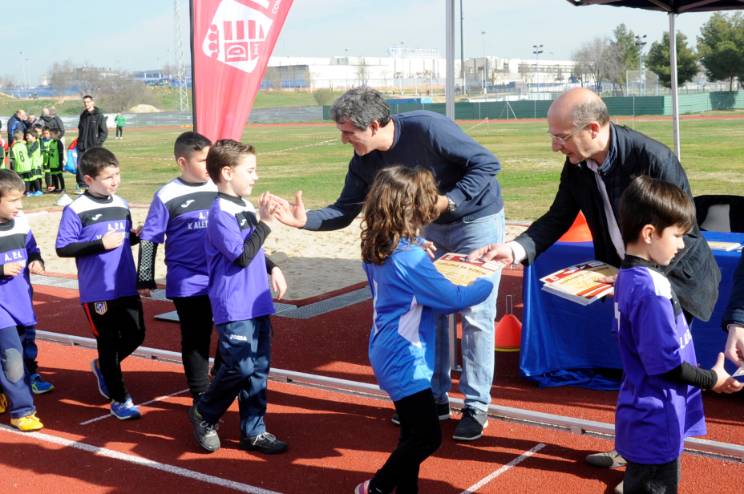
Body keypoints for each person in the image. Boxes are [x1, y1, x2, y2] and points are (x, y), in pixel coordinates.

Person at [469, 87, 722, 471]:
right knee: (635, 372)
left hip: (669, 282)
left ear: (592, 128)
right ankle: (633, 451)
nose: (555, 146)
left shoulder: (652, 159)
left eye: (561, 137)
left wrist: (639, 282)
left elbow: (680, 235)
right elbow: (558, 216)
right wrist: (515, 249)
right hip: (630, 280)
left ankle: (651, 468)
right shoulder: (576, 165)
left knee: (658, 376)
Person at [271, 86, 505, 441]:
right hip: (427, 227)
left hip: (475, 218)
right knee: (430, 307)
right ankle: (434, 397)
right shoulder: (363, 161)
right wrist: (305, 221)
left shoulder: (428, 128)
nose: (343, 139)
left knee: (476, 313)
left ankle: (475, 404)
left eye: (349, 132)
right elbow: (345, 210)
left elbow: (488, 164)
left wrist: (450, 201)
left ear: (374, 125)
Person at [355, 166, 493, 494]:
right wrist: (488, 276)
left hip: (390, 347)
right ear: (413, 208)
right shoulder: (409, 258)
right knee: (427, 437)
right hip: (405, 355)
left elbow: (411, 285)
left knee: (412, 433)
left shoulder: (382, 245)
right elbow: (452, 299)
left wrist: (417, 247)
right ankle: (376, 487)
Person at [612, 175, 742, 494]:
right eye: (678, 235)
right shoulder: (651, 290)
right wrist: (712, 379)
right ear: (649, 234)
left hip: (644, 413)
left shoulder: (628, 276)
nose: (683, 245)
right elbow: (665, 365)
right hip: (656, 419)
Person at [188, 139, 288, 455]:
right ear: (228, 173)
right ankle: (204, 412)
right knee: (240, 366)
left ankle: (253, 431)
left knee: (258, 368)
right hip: (234, 303)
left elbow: (253, 249)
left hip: (256, 299)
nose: (256, 177)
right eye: (251, 170)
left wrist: (272, 267)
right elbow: (241, 255)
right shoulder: (220, 212)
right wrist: (266, 223)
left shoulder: (243, 206)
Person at [55, 147, 145, 420]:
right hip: (97, 290)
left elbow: (122, 241)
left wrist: (135, 236)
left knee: (136, 334)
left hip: (125, 283)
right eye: (108, 177)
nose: (115, 181)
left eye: (117, 174)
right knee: (107, 342)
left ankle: (104, 367)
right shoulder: (76, 209)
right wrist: (99, 244)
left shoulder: (122, 203)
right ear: (88, 179)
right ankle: (120, 399)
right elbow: (63, 247)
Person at [138, 131, 221, 403]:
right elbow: (150, 236)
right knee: (197, 338)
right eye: (203, 160)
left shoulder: (219, 187)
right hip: (187, 280)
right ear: (182, 162)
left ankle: (219, 376)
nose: (209, 166)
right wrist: (145, 277)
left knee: (233, 330)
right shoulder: (167, 195)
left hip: (221, 277)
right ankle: (200, 395)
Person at [0, 169, 45, 431]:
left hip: (20, 302)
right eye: (13, 201)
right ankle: (22, 410)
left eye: (21, 199)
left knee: (12, 352)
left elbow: (32, 249)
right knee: (12, 356)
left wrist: (37, 260)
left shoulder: (21, 224)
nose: (20, 206)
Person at [75, 95, 108, 194]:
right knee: (80, 166)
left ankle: (95, 186)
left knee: (93, 167)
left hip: (93, 147)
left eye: (88, 102)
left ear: (92, 102)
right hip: (82, 146)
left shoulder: (99, 116)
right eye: (85, 102)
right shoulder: (83, 115)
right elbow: (80, 130)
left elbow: (104, 132)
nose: (86, 104)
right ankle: (81, 186)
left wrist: (97, 143)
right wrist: (79, 142)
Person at [45, 128, 65, 193]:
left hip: (57, 163)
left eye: (51, 134)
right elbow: (49, 154)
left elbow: (61, 154)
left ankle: (63, 188)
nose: (50, 135)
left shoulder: (59, 143)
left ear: (56, 134)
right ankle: (56, 188)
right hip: (52, 164)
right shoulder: (51, 143)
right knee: (53, 176)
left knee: (59, 176)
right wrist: (48, 162)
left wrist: (60, 163)